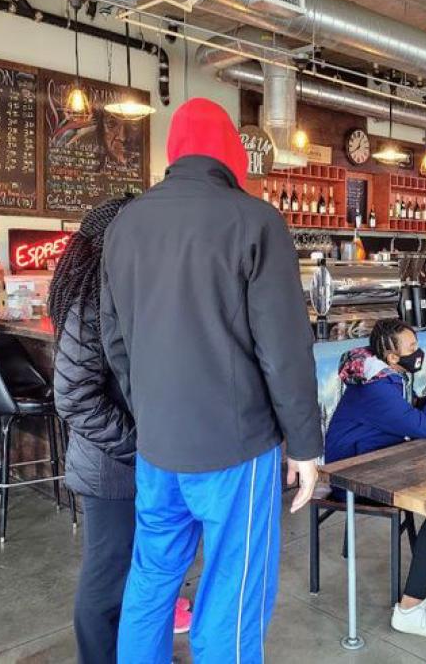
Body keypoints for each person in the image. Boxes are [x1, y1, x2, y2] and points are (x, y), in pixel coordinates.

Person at [101, 98, 323, 664]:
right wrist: (304, 444)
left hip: (157, 445)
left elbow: (116, 340)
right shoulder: (253, 219)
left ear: (174, 151)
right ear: (229, 151)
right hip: (235, 447)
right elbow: (283, 347)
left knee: (152, 579)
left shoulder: (126, 224)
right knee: (232, 588)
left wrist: (149, 408)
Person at [49, 197, 191, 664]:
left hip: (134, 462)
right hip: (112, 469)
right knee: (106, 581)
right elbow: (75, 398)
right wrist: (143, 447)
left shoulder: (124, 289)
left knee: (138, 577)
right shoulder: (92, 298)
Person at [324, 318, 426, 640]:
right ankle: (411, 609)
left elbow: (411, 418)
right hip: (354, 478)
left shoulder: (387, 376)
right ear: (392, 357)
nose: (419, 352)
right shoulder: (376, 388)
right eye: (412, 348)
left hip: (380, 462)